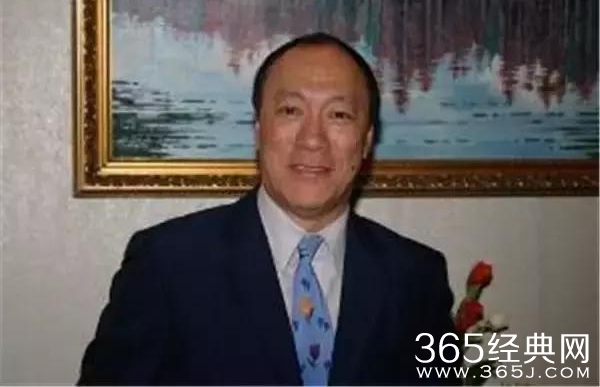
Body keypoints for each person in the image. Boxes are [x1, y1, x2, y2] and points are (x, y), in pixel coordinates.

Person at [78, 32, 460, 386]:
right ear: (258, 129)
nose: (312, 139)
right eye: (291, 110)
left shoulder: (417, 277)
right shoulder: (166, 265)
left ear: (366, 141)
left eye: (339, 115)